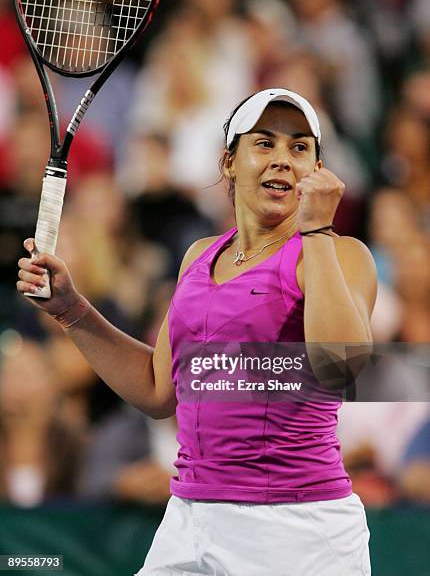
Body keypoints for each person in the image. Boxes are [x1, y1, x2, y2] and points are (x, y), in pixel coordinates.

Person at [17, 88, 377, 575]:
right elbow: (158, 388)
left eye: (299, 148)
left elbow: (340, 368)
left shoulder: (340, 253)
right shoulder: (198, 257)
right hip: (189, 517)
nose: (282, 160)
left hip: (297, 529)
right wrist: (71, 309)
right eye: (264, 143)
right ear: (229, 162)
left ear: (317, 170)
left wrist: (315, 232)